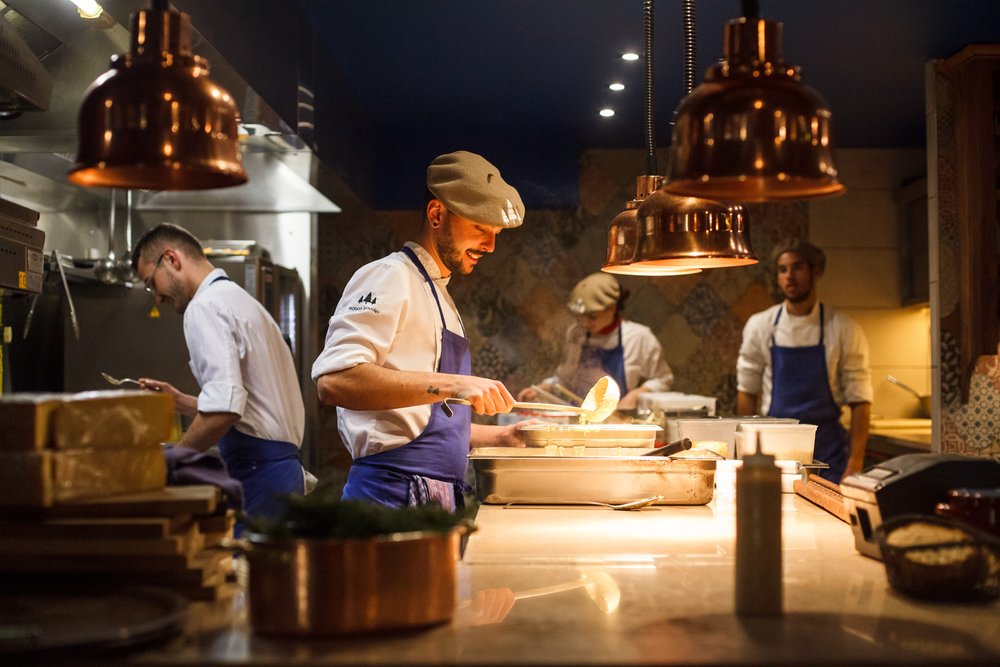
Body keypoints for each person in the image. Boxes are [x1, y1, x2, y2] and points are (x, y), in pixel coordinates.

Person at [312, 150, 530, 511]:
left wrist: (505, 436)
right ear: (436, 214)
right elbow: (334, 382)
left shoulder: (441, 297)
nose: (490, 246)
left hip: (435, 499)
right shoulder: (390, 276)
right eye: (480, 228)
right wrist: (457, 384)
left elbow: (423, 427)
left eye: (496, 233)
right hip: (388, 499)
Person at [131, 223, 313, 526]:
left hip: (259, 477)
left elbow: (224, 412)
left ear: (172, 259)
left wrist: (170, 463)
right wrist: (182, 402)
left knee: (247, 571)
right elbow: (246, 403)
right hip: (280, 475)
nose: (157, 298)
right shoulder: (238, 300)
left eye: (152, 283)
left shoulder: (203, 307)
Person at [736, 239, 873, 483]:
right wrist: (745, 454)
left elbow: (860, 401)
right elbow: (747, 391)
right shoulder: (760, 325)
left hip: (829, 456)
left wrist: (855, 462)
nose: (789, 276)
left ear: (816, 271)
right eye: (782, 269)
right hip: (773, 451)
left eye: (797, 267)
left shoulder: (844, 329)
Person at [518, 272, 674, 410]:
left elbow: (663, 379)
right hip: (579, 419)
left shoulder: (639, 337)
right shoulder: (575, 333)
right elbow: (564, 379)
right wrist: (543, 389)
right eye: (581, 317)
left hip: (617, 421)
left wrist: (636, 395)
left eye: (592, 316)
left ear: (612, 308)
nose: (585, 323)